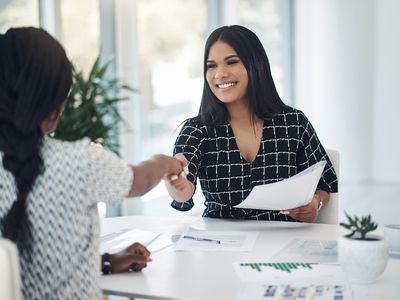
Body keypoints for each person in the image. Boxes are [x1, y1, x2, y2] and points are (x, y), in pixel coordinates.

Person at [0, 27, 186, 299]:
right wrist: (162, 162)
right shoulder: (79, 161)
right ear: (56, 102)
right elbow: (139, 181)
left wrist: (107, 261)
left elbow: (24, 265)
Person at [165, 25, 338, 223]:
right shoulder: (197, 130)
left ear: (255, 65)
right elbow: (184, 193)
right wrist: (175, 180)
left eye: (231, 62)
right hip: (221, 246)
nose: (219, 74)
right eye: (211, 66)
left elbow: (326, 183)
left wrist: (316, 201)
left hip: (282, 243)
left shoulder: (294, 123)